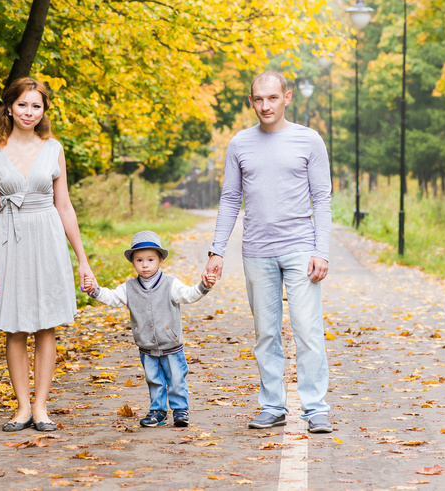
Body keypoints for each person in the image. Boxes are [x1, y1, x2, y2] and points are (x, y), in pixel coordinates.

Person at [203, 70, 334, 434]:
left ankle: (315, 408)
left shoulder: (309, 141)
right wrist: (217, 250)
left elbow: (322, 198)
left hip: (300, 249)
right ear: (251, 101)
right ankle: (273, 405)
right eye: (258, 99)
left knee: (308, 329)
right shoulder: (239, 144)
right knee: (266, 333)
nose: (265, 106)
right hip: (257, 251)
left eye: (272, 98)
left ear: (287, 97)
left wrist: (321, 251)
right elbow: (230, 198)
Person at [0, 77, 96, 433]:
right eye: (22, 105)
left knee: (46, 325)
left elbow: (65, 206)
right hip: (8, 240)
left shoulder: (53, 148)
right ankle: (22, 408)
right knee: (14, 327)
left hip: (46, 238)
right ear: (9, 107)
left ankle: (42, 407)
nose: (28, 112)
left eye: (36, 106)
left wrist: (83, 260)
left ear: (44, 110)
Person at [84, 231, 215, 428]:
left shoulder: (170, 284)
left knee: (177, 378)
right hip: (146, 345)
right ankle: (158, 412)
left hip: (172, 344)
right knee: (154, 380)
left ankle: (180, 410)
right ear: (133, 263)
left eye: (150, 259)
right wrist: (95, 290)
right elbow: (112, 298)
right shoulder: (129, 288)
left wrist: (203, 286)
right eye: (139, 260)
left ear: (160, 260)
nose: (145, 265)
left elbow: (188, 295)